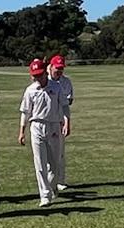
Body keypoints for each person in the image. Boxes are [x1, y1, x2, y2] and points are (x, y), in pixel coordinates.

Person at [18, 58, 70, 207]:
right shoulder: (30, 90)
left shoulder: (56, 87)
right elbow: (25, 112)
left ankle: (52, 186)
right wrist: (21, 131)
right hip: (36, 126)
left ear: (45, 72)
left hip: (54, 126)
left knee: (54, 162)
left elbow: (65, 106)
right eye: (35, 76)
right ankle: (44, 195)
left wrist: (67, 122)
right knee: (39, 162)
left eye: (40, 75)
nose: (38, 78)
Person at [47, 55, 73, 191]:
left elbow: (67, 103)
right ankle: (48, 182)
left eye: (61, 69)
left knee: (60, 153)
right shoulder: (44, 80)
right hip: (45, 121)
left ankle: (60, 180)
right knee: (46, 153)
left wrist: (67, 122)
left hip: (59, 120)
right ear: (51, 67)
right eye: (57, 69)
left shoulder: (66, 82)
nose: (59, 71)